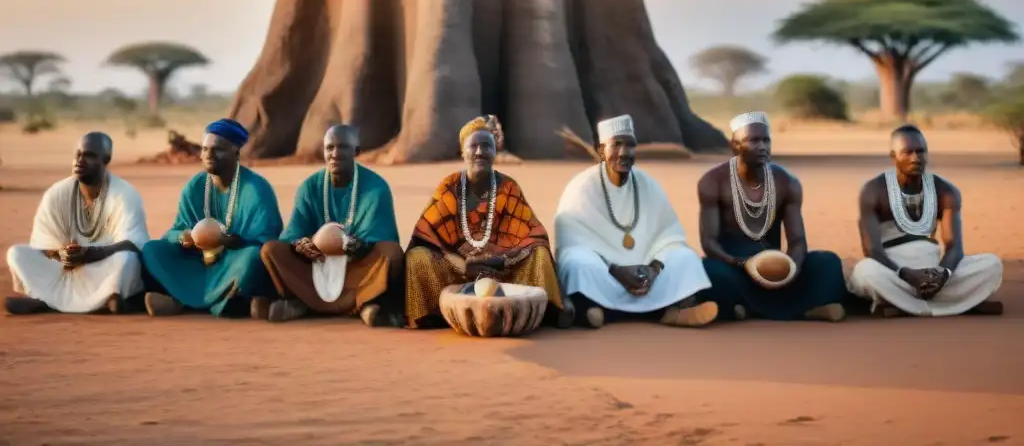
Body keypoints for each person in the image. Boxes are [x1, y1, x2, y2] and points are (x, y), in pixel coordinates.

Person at [554, 115, 718, 329]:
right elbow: (570, 239)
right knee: (576, 263)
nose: (624, 153)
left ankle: (603, 313)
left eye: (630, 145)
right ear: (602, 150)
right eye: (617, 145)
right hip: (605, 270)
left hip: (645, 268)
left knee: (686, 258)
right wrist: (615, 269)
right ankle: (665, 311)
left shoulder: (647, 183)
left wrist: (654, 267)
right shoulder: (581, 186)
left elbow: (670, 234)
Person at [405, 117, 566, 328]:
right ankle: (434, 315)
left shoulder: (508, 187)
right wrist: (463, 264)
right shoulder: (449, 186)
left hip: (502, 268)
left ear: (495, 152)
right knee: (418, 257)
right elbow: (427, 236)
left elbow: (531, 235)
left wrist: (500, 260)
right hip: (457, 269)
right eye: (474, 146)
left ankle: (543, 314)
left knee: (539, 255)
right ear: (463, 151)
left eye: (487, 146)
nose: (480, 151)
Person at [697, 111, 847, 321]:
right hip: (734, 267)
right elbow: (709, 243)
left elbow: (797, 240)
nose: (762, 146)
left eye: (766, 140)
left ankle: (743, 310)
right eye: (753, 140)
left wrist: (791, 267)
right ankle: (796, 309)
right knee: (707, 269)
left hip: (776, 268)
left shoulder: (787, 182)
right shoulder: (713, 182)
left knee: (827, 262)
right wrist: (743, 264)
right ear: (735, 146)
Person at [847, 124, 1003, 317]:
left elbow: (954, 245)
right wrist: (907, 274)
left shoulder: (945, 191)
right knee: (866, 271)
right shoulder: (873, 190)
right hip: (894, 270)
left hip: (933, 268)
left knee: (992, 264)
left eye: (921, 151)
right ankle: (957, 304)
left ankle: (901, 305)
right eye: (908, 152)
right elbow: (872, 250)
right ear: (893, 155)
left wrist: (943, 274)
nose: (915, 158)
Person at [260, 125, 405, 325]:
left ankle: (364, 303)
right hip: (315, 264)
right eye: (330, 148)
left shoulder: (375, 187)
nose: (335, 154)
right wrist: (301, 244)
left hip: (357, 266)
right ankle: (300, 301)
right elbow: (293, 231)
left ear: (356, 151)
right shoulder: (310, 186)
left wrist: (354, 246)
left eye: (343, 147)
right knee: (271, 250)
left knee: (391, 253)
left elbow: (379, 236)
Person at [141, 118, 283, 318]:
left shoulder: (256, 189)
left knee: (252, 258)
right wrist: (184, 237)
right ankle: (222, 302)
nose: (208, 155)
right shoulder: (195, 185)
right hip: (197, 261)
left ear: (236, 152)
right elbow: (174, 231)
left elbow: (267, 240)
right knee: (152, 250)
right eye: (204, 149)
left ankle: (181, 302)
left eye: (217, 150)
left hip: (233, 263)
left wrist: (232, 241)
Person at [5, 132, 149, 315]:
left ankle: (46, 301)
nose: (80, 161)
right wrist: (63, 254)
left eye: (89, 155)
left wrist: (91, 254)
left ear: (106, 159)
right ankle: (100, 302)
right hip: (65, 269)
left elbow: (134, 243)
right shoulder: (57, 193)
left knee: (126, 260)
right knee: (17, 254)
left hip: (101, 269)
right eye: (77, 155)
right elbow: (42, 246)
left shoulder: (125, 194)